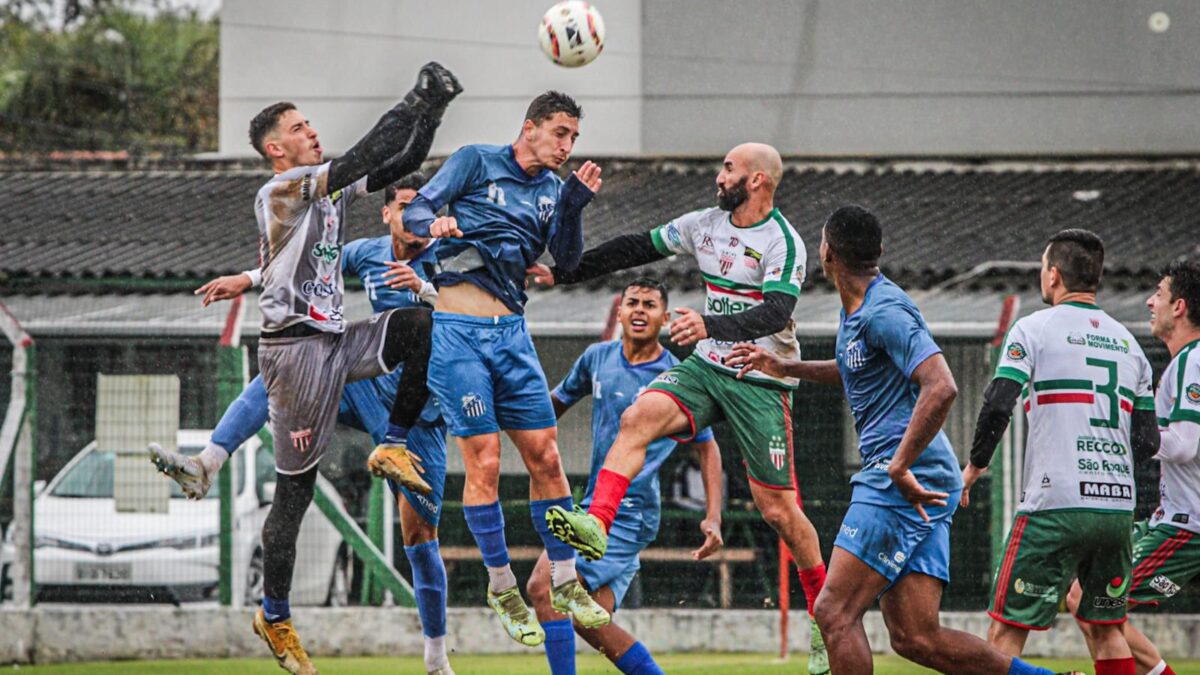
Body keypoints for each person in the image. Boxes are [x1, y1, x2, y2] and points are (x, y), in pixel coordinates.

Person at [188, 62, 458, 675]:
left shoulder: (325, 190)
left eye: (310, 123)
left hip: (336, 342)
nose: (313, 131)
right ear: (276, 149)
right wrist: (416, 96)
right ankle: (274, 613)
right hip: (295, 352)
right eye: (300, 126)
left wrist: (434, 111)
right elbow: (370, 151)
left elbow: (391, 164)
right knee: (295, 495)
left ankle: (391, 444)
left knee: (418, 324)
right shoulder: (282, 189)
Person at [727, 205, 1077, 675]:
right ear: (879, 252)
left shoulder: (884, 311)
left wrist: (897, 465)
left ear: (826, 253)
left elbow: (942, 385)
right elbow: (856, 370)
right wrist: (786, 367)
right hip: (924, 476)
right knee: (916, 637)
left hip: (902, 475)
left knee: (833, 613)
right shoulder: (860, 310)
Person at [530, 142, 830, 674]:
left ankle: (827, 621)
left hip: (760, 376)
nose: (720, 175)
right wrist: (565, 272)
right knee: (637, 418)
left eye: (729, 168)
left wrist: (709, 324)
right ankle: (597, 520)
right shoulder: (704, 224)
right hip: (706, 367)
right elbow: (633, 248)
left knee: (778, 511)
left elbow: (777, 312)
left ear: (758, 180)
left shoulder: (784, 242)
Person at [400, 91, 606, 646]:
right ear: (530, 127)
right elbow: (417, 208)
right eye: (560, 133)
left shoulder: (553, 192)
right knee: (485, 460)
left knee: (546, 456)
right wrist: (433, 224)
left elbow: (565, 261)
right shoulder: (475, 160)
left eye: (574, 138)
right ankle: (501, 585)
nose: (567, 146)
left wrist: (575, 206)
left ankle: (565, 580)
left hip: (512, 336)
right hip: (459, 335)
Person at [960, 229, 1159, 675]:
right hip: (1115, 509)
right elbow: (1148, 443)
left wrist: (974, 466)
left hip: (1055, 505)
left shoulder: (1033, 328)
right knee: (1106, 628)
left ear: (1053, 275)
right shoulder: (1130, 345)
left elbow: (997, 402)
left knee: (1007, 629)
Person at [527, 277, 725, 675]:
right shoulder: (596, 357)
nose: (639, 310)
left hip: (630, 510)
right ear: (618, 311)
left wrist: (713, 516)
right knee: (589, 621)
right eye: (632, 302)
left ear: (665, 318)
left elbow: (707, 445)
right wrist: (513, 411)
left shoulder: (677, 376)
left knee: (542, 587)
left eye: (649, 305)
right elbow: (553, 407)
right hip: (594, 506)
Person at [1065, 261, 1200, 675]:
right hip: (1170, 517)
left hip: (1187, 525)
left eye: (1158, 293)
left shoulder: (1193, 361)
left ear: (1179, 306)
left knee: (1096, 606)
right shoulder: (1184, 362)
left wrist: (1127, 432)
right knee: (1082, 598)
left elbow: (1185, 444)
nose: (1149, 301)